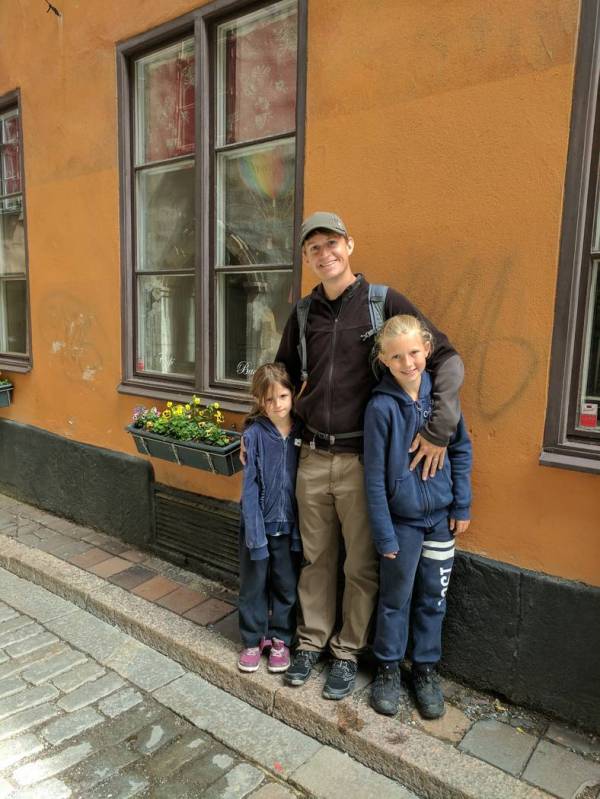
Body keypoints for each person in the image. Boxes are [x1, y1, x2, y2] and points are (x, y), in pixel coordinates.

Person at [275, 211, 465, 700]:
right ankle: (310, 642)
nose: (325, 254)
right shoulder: (301, 314)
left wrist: (442, 427)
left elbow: (445, 356)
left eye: (332, 243)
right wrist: (264, 434)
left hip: (367, 460)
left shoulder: (383, 302)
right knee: (315, 558)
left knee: (361, 564)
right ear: (307, 258)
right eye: (313, 247)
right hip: (314, 455)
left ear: (350, 245)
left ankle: (346, 652)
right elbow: (282, 375)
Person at [364, 315, 472, 719]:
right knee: (396, 599)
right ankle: (388, 668)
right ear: (383, 360)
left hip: (441, 519)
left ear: (427, 349)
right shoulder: (380, 408)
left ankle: (425, 670)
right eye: (396, 356)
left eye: (413, 352)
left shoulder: (443, 400)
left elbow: (461, 450)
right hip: (402, 523)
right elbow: (373, 477)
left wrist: (461, 504)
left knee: (434, 598)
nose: (407, 362)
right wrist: (384, 534)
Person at [238, 363, 302, 674]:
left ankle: (280, 638)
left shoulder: (303, 431)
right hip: (259, 525)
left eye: (283, 396)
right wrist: (254, 532)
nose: (277, 405)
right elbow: (249, 487)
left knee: (286, 585)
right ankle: (253, 638)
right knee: (254, 584)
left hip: (290, 527)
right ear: (259, 401)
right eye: (268, 400)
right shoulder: (254, 435)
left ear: (293, 394)